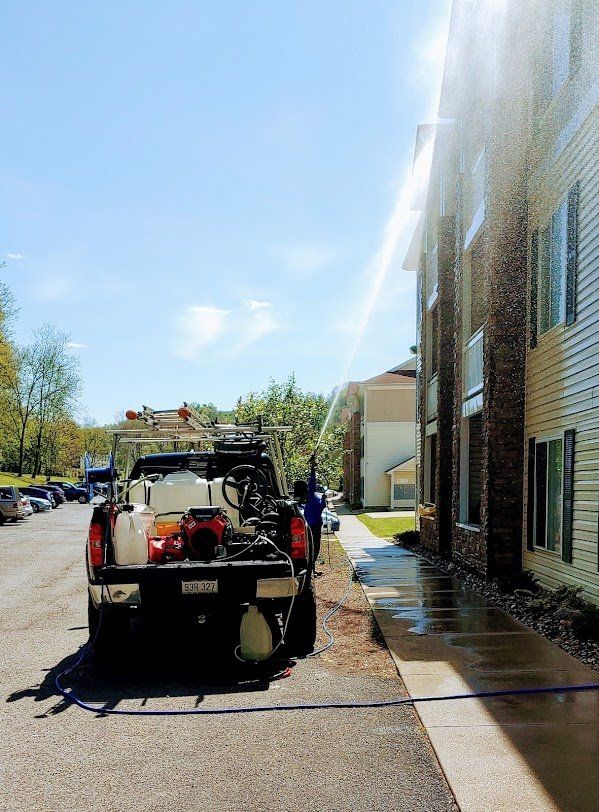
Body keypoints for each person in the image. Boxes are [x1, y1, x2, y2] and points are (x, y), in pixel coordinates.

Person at [304, 456, 326, 569]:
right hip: (311, 525)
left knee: (316, 547)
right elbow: (312, 482)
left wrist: (324, 499)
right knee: (311, 547)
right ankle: (310, 568)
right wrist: (313, 469)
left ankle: (312, 568)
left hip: (317, 524)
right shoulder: (311, 496)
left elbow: (321, 507)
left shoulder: (316, 498)